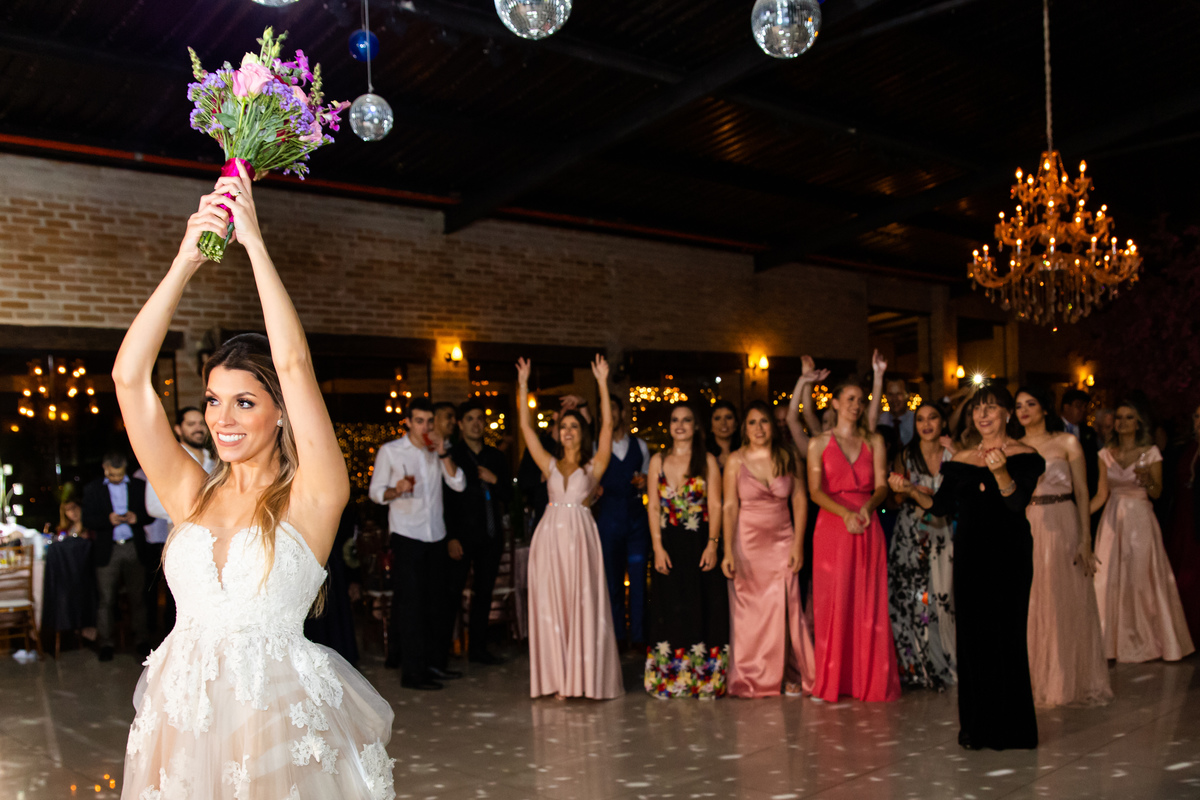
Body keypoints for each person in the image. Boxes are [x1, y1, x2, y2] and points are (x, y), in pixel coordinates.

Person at [111, 169, 394, 797]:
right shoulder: (191, 493)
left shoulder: (314, 497)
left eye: (244, 402)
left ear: (281, 411)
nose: (222, 419)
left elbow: (292, 362)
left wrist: (255, 245)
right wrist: (186, 261)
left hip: (275, 733)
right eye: (214, 401)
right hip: (181, 724)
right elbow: (129, 380)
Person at [890, 383, 1043, 750]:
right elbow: (941, 507)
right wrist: (910, 491)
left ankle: (1013, 730)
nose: (982, 414)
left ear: (1007, 413)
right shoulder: (959, 459)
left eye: (991, 408)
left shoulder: (1025, 456)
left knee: (1006, 637)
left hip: (1009, 555)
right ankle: (977, 727)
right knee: (973, 640)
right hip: (971, 555)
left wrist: (1001, 472)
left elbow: (1016, 503)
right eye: (977, 408)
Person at [519, 355, 623, 699]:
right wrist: (523, 385)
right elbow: (526, 430)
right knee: (553, 606)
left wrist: (602, 383)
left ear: (582, 432)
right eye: (563, 426)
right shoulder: (548, 465)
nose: (567, 431)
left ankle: (584, 679)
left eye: (574, 426)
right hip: (549, 539)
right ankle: (559, 680)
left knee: (582, 604)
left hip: (581, 538)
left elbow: (607, 427)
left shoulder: (595, 466)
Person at [1014, 387, 1111, 708]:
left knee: (1063, 599)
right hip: (1028, 522)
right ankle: (1034, 678)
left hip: (1063, 520)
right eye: (1018, 405)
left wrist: (1085, 538)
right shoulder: (1013, 446)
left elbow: (1083, 492)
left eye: (1030, 404)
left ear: (1044, 408)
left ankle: (1067, 678)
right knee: (1032, 601)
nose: (1024, 410)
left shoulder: (1067, 442)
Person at [808, 379, 900, 703]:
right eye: (849, 399)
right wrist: (844, 514)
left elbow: (882, 485)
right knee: (834, 601)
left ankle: (868, 680)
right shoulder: (818, 443)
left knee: (868, 600)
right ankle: (831, 680)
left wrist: (867, 507)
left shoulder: (874, 440)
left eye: (860, 400)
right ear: (834, 403)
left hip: (866, 521)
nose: (856, 405)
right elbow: (814, 491)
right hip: (832, 526)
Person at [369, 398, 467, 690]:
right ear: (409, 422)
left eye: (429, 421)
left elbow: (459, 484)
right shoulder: (391, 451)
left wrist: (443, 453)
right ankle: (412, 673)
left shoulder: (437, 450)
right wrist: (395, 490)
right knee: (412, 607)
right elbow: (375, 492)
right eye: (420, 421)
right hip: (407, 535)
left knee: (436, 604)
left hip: (436, 534)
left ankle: (434, 665)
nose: (425, 427)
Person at [1091, 399, 1195, 663]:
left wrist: (1147, 480)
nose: (1123, 422)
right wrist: (1077, 517)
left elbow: (1157, 493)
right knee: (1108, 580)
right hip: (1112, 519)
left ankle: (1145, 641)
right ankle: (1109, 642)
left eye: (1129, 417)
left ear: (1138, 423)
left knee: (1140, 580)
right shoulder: (1105, 454)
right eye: (1119, 417)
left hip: (1140, 518)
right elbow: (1101, 495)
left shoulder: (1151, 452)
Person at [723, 400, 815, 698]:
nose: (758, 428)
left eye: (763, 421)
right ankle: (751, 675)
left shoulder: (788, 456)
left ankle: (786, 673)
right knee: (750, 612)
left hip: (783, 540)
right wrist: (727, 550)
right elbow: (729, 506)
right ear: (744, 428)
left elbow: (800, 500)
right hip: (747, 544)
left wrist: (798, 543)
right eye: (752, 422)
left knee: (785, 609)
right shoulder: (735, 460)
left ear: (772, 426)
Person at [645, 401, 729, 698]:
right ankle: (668, 679)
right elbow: (653, 507)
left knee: (702, 608)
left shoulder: (707, 460)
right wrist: (657, 547)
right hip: (668, 545)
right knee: (668, 610)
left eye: (686, 420)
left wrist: (713, 545)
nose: (679, 425)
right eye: (675, 420)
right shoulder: (657, 461)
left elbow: (716, 505)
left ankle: (705, 680)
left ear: (696, 427)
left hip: (699, 544)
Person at [888, 403, 956, 690]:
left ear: (943, 422)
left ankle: (945, 663)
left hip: (943, 533)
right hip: (911, 535)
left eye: (932, 418)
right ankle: (916, 667)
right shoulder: (906, 455)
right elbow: (895, 500)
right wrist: (905, 491)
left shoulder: (953, 453)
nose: (926, 424)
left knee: (943, 598)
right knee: (915, 599)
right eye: (920, 420)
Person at [443, 400, 511, 666]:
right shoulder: (453, 456)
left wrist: (496, 481)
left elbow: (509, 495)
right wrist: (451, 537)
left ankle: (478, 649)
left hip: (490, 535)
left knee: (484, 593)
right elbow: (445, 500)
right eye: (470, 418)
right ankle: (444, 651)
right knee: (452, 593)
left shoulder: (496, 457)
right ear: (461, 424)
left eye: (480, 418)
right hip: (461, 536)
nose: (476, 423)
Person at [142, 406, 217, 641]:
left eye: (201, 423)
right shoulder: (168, 460)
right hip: (184, 542)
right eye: (191, 424)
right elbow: (152, 505)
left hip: (218, 543)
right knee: (183, 607)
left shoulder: (216, 460)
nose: (198, 428)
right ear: (178, 429)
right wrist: (198, 512)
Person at [591, 395, 651, 648]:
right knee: (612, 581)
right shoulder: (596, 447)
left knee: (638, 580)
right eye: (605, 412)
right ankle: (616, 637)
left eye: (613, 410)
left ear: (622, 413)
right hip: (608, 520)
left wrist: (645, 481)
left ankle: (639, 636)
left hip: (637, 520)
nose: (610, 415)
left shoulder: (641, 446)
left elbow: (648, 476)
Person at [81, 451, 153, 661]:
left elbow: (151, 514)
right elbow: (87, 520)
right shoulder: (93, 489)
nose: (116, 478)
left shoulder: (139, 486)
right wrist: (108, 520)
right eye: (112, 474)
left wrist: (136, 517)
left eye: (120, 474)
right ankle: (106, 643)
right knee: (106, 599)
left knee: (138, 597)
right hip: (108, 549)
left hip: (133, 547)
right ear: (105, 469)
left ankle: (141, 639)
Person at [1164, 402, 1200, 643]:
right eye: (1196, 416)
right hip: (1182, 519)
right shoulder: (1185, 448)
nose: (1198, 422)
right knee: (1181, 578)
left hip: (1196, 520)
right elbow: (1165, 488)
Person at [1061, 389, 1100, 502]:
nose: (1083, 410)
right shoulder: (1053, 429)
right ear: (1066, 407)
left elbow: (1093, 462)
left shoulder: (1089, 432)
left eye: (1085, 406)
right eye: (1078, 406)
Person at [707, 401, 741, 472]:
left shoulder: (745, 452)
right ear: (710, 425)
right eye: (717, 418)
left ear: (736, 423)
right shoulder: (702, 456)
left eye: (728, 417)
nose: (723, 423)